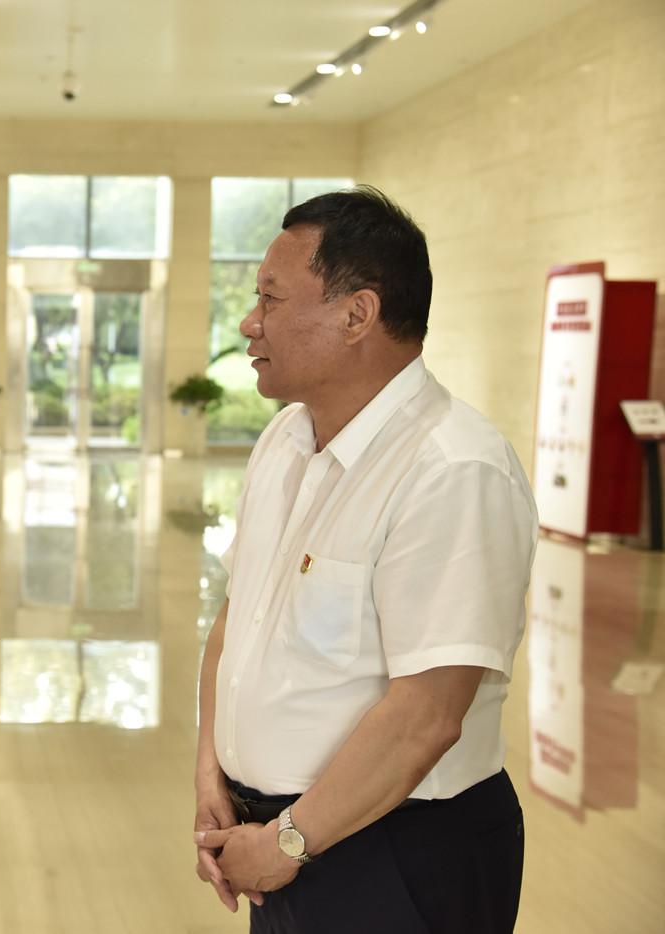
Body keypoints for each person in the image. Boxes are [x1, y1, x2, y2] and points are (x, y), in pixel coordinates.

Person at [191, 186, 536, 933]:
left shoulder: (452, 469)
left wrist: (288, 842)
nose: (250, 322)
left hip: (395, 853)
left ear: (357, 315)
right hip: (279, 844)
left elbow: (426, 715)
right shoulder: (284, 441)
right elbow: (235, 620)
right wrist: (211, 773)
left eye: (271, 298)